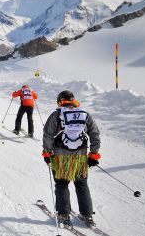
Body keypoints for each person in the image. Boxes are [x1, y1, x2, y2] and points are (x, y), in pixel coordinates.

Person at [42, 90, 101, 228]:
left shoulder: (57, 115)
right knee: (81, 184)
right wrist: (93, 154)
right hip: (80, 157)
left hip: (60, 157)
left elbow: (48, 134)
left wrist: (47, 153)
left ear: (60, 101)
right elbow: (94, 134)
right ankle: (87, 215)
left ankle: (63, 215)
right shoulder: (84, 115)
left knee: (62, 184)